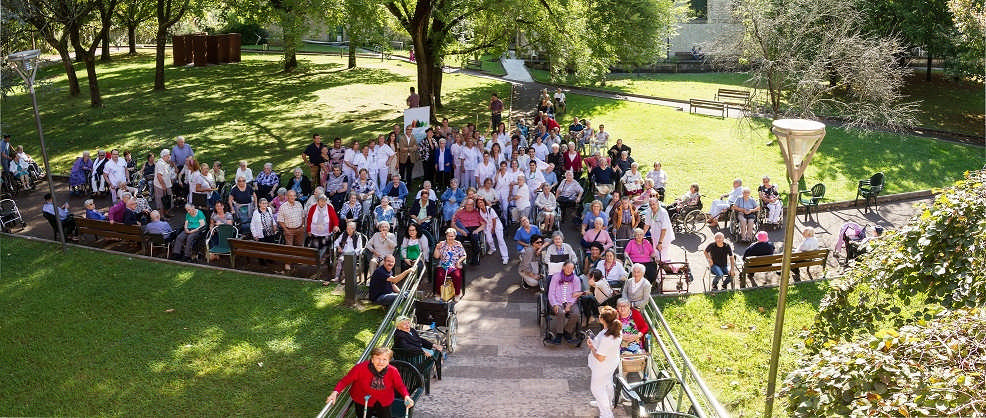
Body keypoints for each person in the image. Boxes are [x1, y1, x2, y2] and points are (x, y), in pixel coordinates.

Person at [585, 305, 622, 418]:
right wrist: (595, 342)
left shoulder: (607, 337)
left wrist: (592, 347)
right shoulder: (616, 331)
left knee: (596, 388)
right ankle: (608, 403)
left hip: (602, 366)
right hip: (611, 363)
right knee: (607, 383)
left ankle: (606, 414)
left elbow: (600, 357)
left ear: (602, 319)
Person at [547, 261, 585, 345]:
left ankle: (567, 331)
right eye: (567, 267)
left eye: (571, 268)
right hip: (557, 301)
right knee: (560, 312)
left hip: (571, 302)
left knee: (576, 314)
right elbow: (551, 292)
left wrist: (570, 304)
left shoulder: (576, 279)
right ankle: (559, 334)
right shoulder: (556, 277)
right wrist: (555, 304)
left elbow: (575, 294)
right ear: (563, 267)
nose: (569, 270)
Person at [433, 228, 467, 299]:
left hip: (454, 265)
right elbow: (436, 256)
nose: (450, 238)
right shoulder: (442, 244)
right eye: (449, 236)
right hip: (443, 264)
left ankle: (457, 294)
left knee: (457, 276)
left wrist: (458, 262)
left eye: (452, 236)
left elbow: (464, 255)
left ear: (455, 236)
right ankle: (438, 293)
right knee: (440, 275)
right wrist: (437, 248)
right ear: (446, 236)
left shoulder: (458, 244)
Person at [450, 198, 485, 265]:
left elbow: (483, 224)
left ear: (473, 205)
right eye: (468, 204)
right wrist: (460, 230)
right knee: (457, 239)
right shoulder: (460, 212)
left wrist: (477, 230)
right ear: (465, 205)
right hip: (463, 229)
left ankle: (474, 258)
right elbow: (452, 224)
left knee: (475, 239)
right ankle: (458, 259)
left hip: (474, 229)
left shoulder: (477, 213)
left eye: (471, 205)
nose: (469, 206)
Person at [476, 197, 509, 264]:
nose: (480, 204)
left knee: (500, 240)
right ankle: (492, 248)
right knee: (489, 239)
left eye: (481, 202)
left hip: (496, 224)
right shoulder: (479, 211)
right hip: (488, 225)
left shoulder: (489, 209)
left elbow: (494, 220)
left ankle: (505, 257)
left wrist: (493, 229)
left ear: (484, 203)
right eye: (478, 203)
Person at [276, 191, 306, 264]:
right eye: (290, 196)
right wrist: (286, 230)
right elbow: (280, 220)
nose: (292, 197)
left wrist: (302, 226)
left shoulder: (299, 204)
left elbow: (303, 216)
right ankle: (288, 263)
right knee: (289, 248)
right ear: (287, 197)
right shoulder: (283, 207)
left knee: (299, 246)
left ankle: (298, 260)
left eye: (294, 196)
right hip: (289, 230)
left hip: (299, 229)